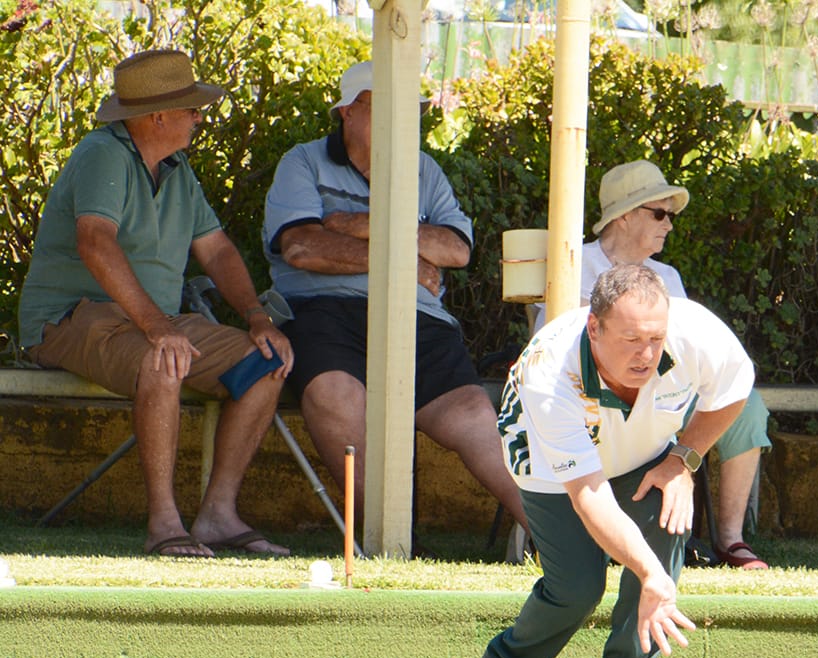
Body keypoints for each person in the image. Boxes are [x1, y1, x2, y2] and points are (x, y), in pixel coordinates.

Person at [452, 264, 754, 658]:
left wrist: (683, 460)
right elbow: (590, 496)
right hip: (550, 463)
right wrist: (651, 572)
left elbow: (735, 392)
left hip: (646, 448)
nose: (647, 354)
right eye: (632, 339)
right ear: (594, 327)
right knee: (575, 589)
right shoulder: (549, 373)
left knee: (668, 521)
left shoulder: (698, 336)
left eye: (656, 339)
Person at [18, 49, 293, 558]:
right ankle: (165, 524)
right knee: (162, 357)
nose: (199, 116)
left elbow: (217, 250)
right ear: (157, 116)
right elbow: (95, 243)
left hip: (149, 321)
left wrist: (257, 317)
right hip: (70, 319)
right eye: (191, 107)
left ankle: (217, 516)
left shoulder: (177, 169)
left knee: (267, 360)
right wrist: (157, 327)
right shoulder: (103, 153)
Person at [262, 60, 527, 535]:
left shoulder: (423, 169)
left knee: (471, 414)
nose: (402, 118)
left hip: (416, 317)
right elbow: (301, 246)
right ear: (346, 111)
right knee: (335, 395)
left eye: (412, 109)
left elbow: (456, 250)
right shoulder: (302, 161)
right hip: (324, 310)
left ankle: (563, 544)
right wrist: (404, 259)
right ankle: (383, 537)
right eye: (385, 106)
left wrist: (356, 224)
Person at [536, 159, 772, 569]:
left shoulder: (666, 276)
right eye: (660, 213)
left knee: (746, 406)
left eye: (671, 215)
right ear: (624, 216)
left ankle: (730, 540)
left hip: (664, 397)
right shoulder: (571, 263)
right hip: (594, 399)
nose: (670, 224)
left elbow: (682, 352)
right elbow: (551, 344)